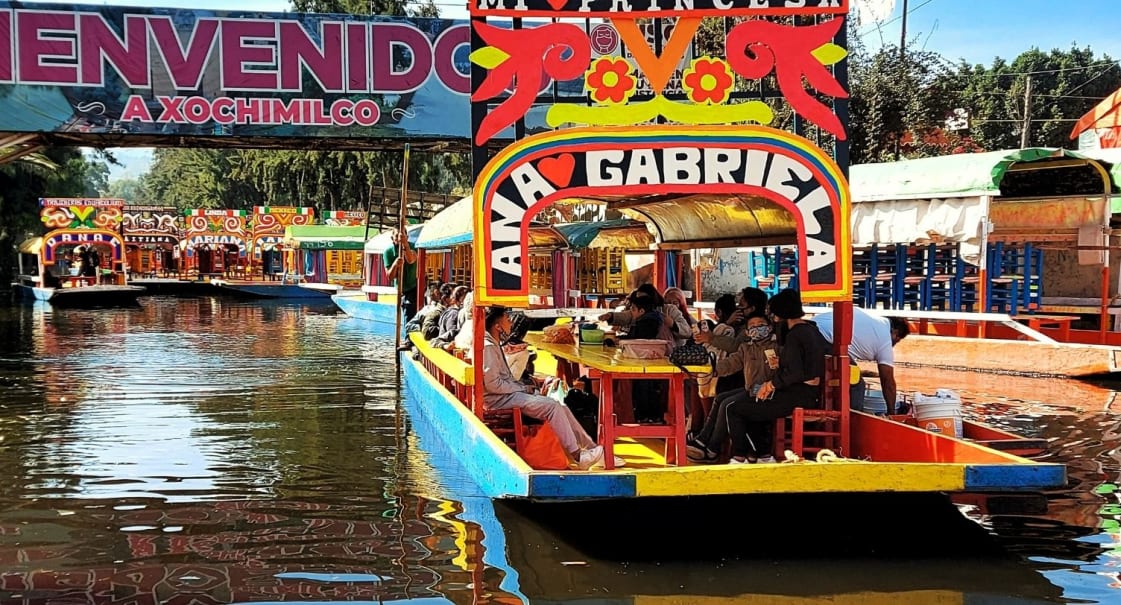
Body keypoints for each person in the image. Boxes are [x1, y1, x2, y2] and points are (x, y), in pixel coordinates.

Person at [482, 306, 621, 470]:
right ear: (498, 326)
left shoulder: (493, 342)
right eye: (506, 318)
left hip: (507, 394)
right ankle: (577, 455)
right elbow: (493, 384)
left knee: (560, 405)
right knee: (552, 407)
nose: (510, 322)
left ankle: (591, 449)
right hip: (500, 399)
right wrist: (521, 388)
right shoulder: (489, 346)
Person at [725, 289, 828, 464]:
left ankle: (740, 455)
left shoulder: (796, 335)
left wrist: (771, 385)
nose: (771, 317)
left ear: (781, 314)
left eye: (773, 313)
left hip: (798, 396)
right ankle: (763, 455)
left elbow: (796, 372)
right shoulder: (811, 331)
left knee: (734, 409)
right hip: (804, 393)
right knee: (755, 399)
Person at [688, 314, 778, 463]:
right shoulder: (746, 348)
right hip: (752, 389)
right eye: (753, 326)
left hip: (768, 390)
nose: (757, 328)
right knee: (721, 398)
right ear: (747, 332)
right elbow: (731, 363)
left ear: (769, 328)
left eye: (761, 325)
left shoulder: (776, 348)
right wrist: (712, 370)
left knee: (728, 405)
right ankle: (705, 441)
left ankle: (711, 447)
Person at [813, 309, 910, 413]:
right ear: (895, 332)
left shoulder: (873, 321)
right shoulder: (885, 339)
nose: (893, 345)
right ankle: (852, 420)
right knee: (857, 385)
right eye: (897, 341)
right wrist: (891, 412)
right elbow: (888, 381)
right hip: (824, 340)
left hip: (809, 329)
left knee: (843, 376)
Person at [617, 290, 669, 424]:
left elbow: (636, 339)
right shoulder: (655, 318)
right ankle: (650, 416)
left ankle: (645, 416)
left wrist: (618, 340)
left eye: (633, 310)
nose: (632, 313)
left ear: (641, 311)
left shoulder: (646, 322)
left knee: (644, 387)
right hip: (652, 361)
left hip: (645, 361)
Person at [695, 286, 768, 353]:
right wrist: (727, 323)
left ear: (751, 309)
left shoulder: (756, 326)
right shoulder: (740, 322)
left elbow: (736, 346)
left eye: (741, 305)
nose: (738, 308)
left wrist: (711, 338)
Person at [384, 229, 418, 323]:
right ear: (392, 238)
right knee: (407, 311)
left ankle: (411, 335)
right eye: (397, 237)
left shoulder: (413, 246)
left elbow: (411, 259)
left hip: (415, 286)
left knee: (411, 310)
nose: (399, 239)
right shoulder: (388, 252)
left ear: (407, 237)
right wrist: (395, 265)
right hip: (402, 289)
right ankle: (409, 335)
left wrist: (405, 245)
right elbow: (390, 277)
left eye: (402, 237)